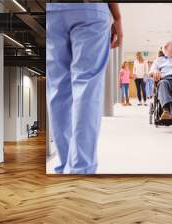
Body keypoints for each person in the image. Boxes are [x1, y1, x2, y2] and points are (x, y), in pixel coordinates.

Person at [46, 3, 122, 174]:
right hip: (90, 9)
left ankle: (66, 165)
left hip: (52, 10)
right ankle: (80, 169)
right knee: (87, 87)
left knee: (58, 89)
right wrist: (117, 17)